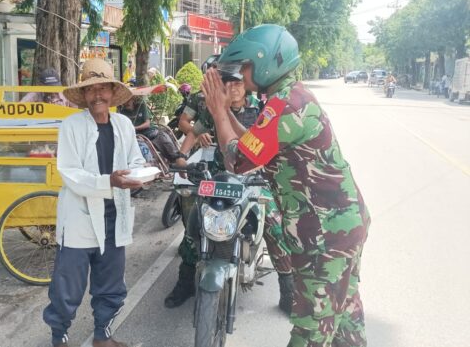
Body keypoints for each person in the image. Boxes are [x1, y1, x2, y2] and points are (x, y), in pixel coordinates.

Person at [201, 24, 370, 347]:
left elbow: (237, 161)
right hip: (338, 230)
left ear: (266, 63)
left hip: (325, 238)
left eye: (244, 67)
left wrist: (219, 111)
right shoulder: (286, 98)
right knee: (344, 323)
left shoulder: (287, 106)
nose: (241, 77)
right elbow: (251, 146)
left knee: (309, 332)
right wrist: (224, 113)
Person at [164, 70, 294, 313]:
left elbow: (268, 146)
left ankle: (288, 288)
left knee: (275, 226)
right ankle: (185, 282)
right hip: (218, 178)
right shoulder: (213, 108)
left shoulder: (261, 109)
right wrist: (182, 157)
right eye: (228, 83)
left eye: (238, 82)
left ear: (247, 86)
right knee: (196, 225)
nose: (233, 87)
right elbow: (192, 132)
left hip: (254, 178)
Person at [43, 59, 146, 347]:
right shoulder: (71, 126)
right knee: (68, 287)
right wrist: (109, 182)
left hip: (116, 215)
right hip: (79, 217)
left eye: (103, 88)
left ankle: (103, 336)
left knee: (111, 284)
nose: (97, 95)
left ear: (113, 92)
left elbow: (135, 160)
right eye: (91, 89)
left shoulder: (124, 124)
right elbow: (71, 173)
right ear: (84, 96)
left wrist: (141, 174)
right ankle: (59, 338)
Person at [118, 95, 183, 163]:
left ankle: (179, 162)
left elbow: (147, 124)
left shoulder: (141, 106)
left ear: (133, 99)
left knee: (173, 152)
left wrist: (134, 128)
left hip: (152, 132)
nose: (127, 102)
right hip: (138, 137)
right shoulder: (122, 113)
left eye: (129, 99)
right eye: (125, 100)